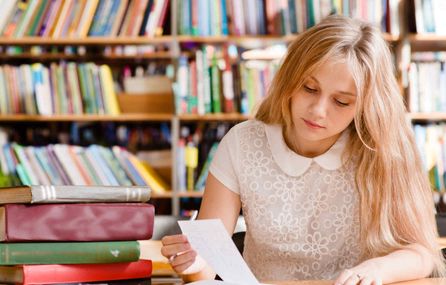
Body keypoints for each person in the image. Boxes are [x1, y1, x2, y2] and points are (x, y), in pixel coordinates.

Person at [161, 15, 445, 284]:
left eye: (342, 102)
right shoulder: (242, 143)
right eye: (309, 88)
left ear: (366, 107)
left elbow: (423, 253)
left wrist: (376, 268)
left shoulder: (384, 151)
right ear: (290, 80)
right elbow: (209, 262)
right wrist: (195, 265)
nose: (318, 111)